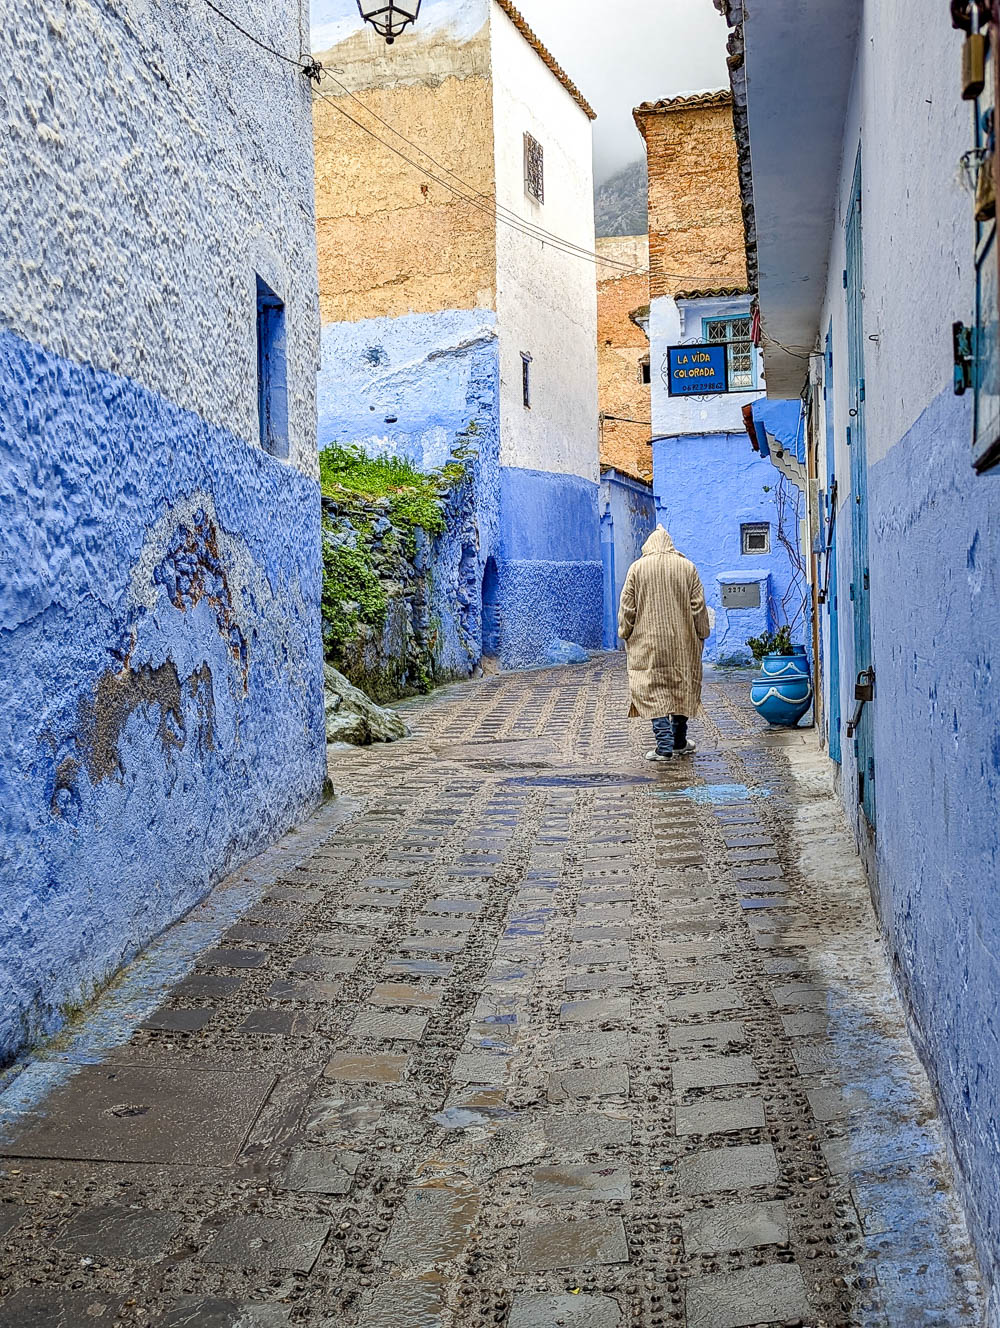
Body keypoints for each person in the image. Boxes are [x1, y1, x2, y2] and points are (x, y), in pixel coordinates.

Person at [617, 525, 711, 762]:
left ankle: (664, 744)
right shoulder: (687, 567)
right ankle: (679, 740)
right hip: (682, 642)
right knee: (681, 686)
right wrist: (702, 633)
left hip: (647, 643)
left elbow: (628, 608)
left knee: (651, 689)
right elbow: (698, 606)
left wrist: (624, 632)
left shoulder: (637, 569)